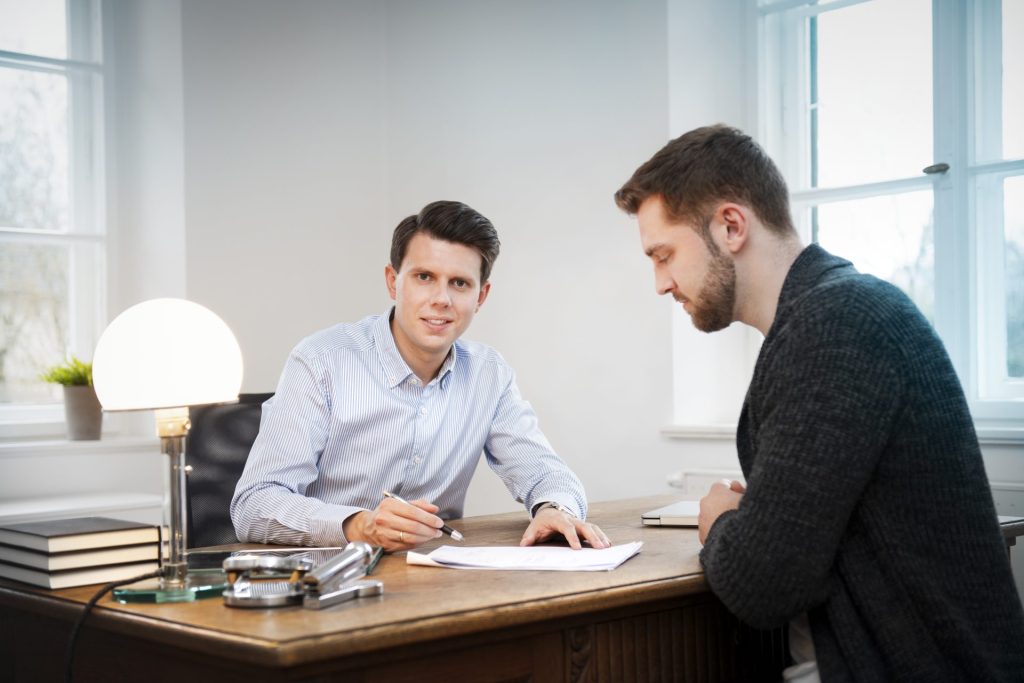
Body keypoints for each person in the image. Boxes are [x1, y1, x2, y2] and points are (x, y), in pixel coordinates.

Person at [614, 124, 1024, 681]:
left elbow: (764, 583)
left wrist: (721, 521)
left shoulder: (837, 324)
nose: (660, 283)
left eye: (664, 255)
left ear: (731, 225)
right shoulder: (829, 315)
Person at [231, 200, 609, 553]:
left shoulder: (488, 374)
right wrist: (359, 525)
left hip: (431, 581)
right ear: (393, 281)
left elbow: (543, 470)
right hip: (324, 583)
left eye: (460, 283)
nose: (441, 299)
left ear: (481, 296)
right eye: (424, 277)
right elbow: (253, 503)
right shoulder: (321, 361)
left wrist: (552, 507)